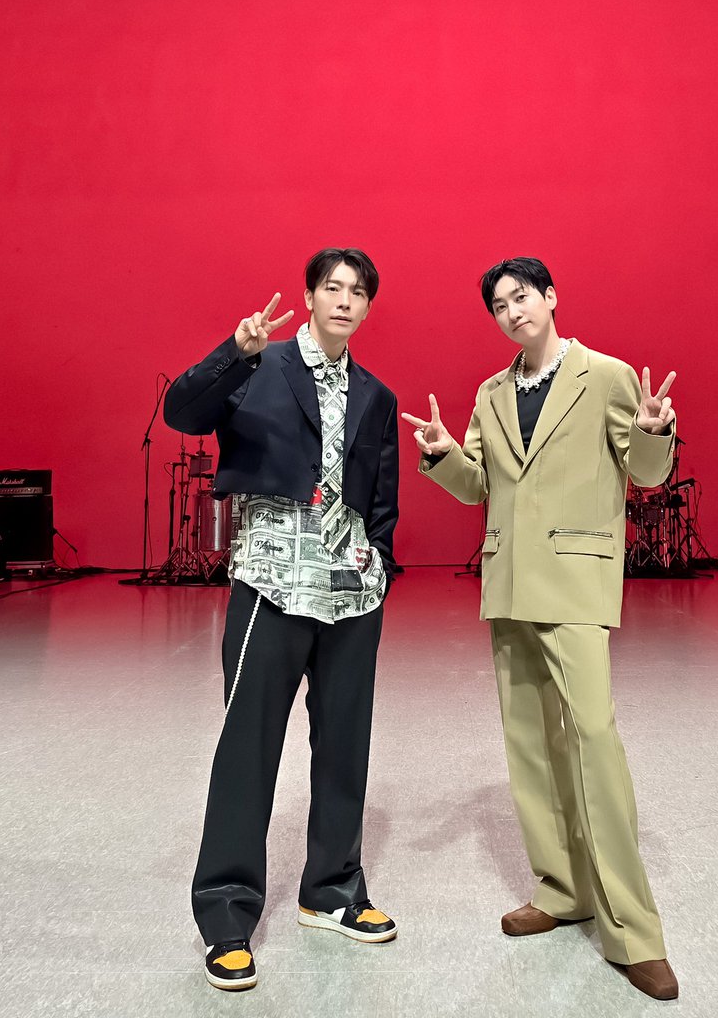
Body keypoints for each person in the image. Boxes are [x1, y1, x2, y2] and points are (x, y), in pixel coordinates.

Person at [402, 257, 679, 1002]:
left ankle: (634, 931)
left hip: (577, 584)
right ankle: (562, 889)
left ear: (551, 297)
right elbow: (480, 486)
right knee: (530, 746)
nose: (512, 311)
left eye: (521, 296)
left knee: (594, 742)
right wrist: (442, 454)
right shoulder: (491, 394)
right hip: (509, 584)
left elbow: (646, 473)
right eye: (498, 305)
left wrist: (654, 432)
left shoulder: (606, 376)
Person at [164, 248, 399, 992]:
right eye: (332, 287)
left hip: (350, 593)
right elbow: (181, 413)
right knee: (248, 746)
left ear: (368, 307)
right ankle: (226, 912)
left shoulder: (376, 394)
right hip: (272, 581)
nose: (345, 301)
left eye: (358, 292)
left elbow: (381, 495)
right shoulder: (260, 366)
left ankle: (332, 889)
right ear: (310, 295)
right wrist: (234, 352)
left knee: (345, 746)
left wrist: (378, 565)